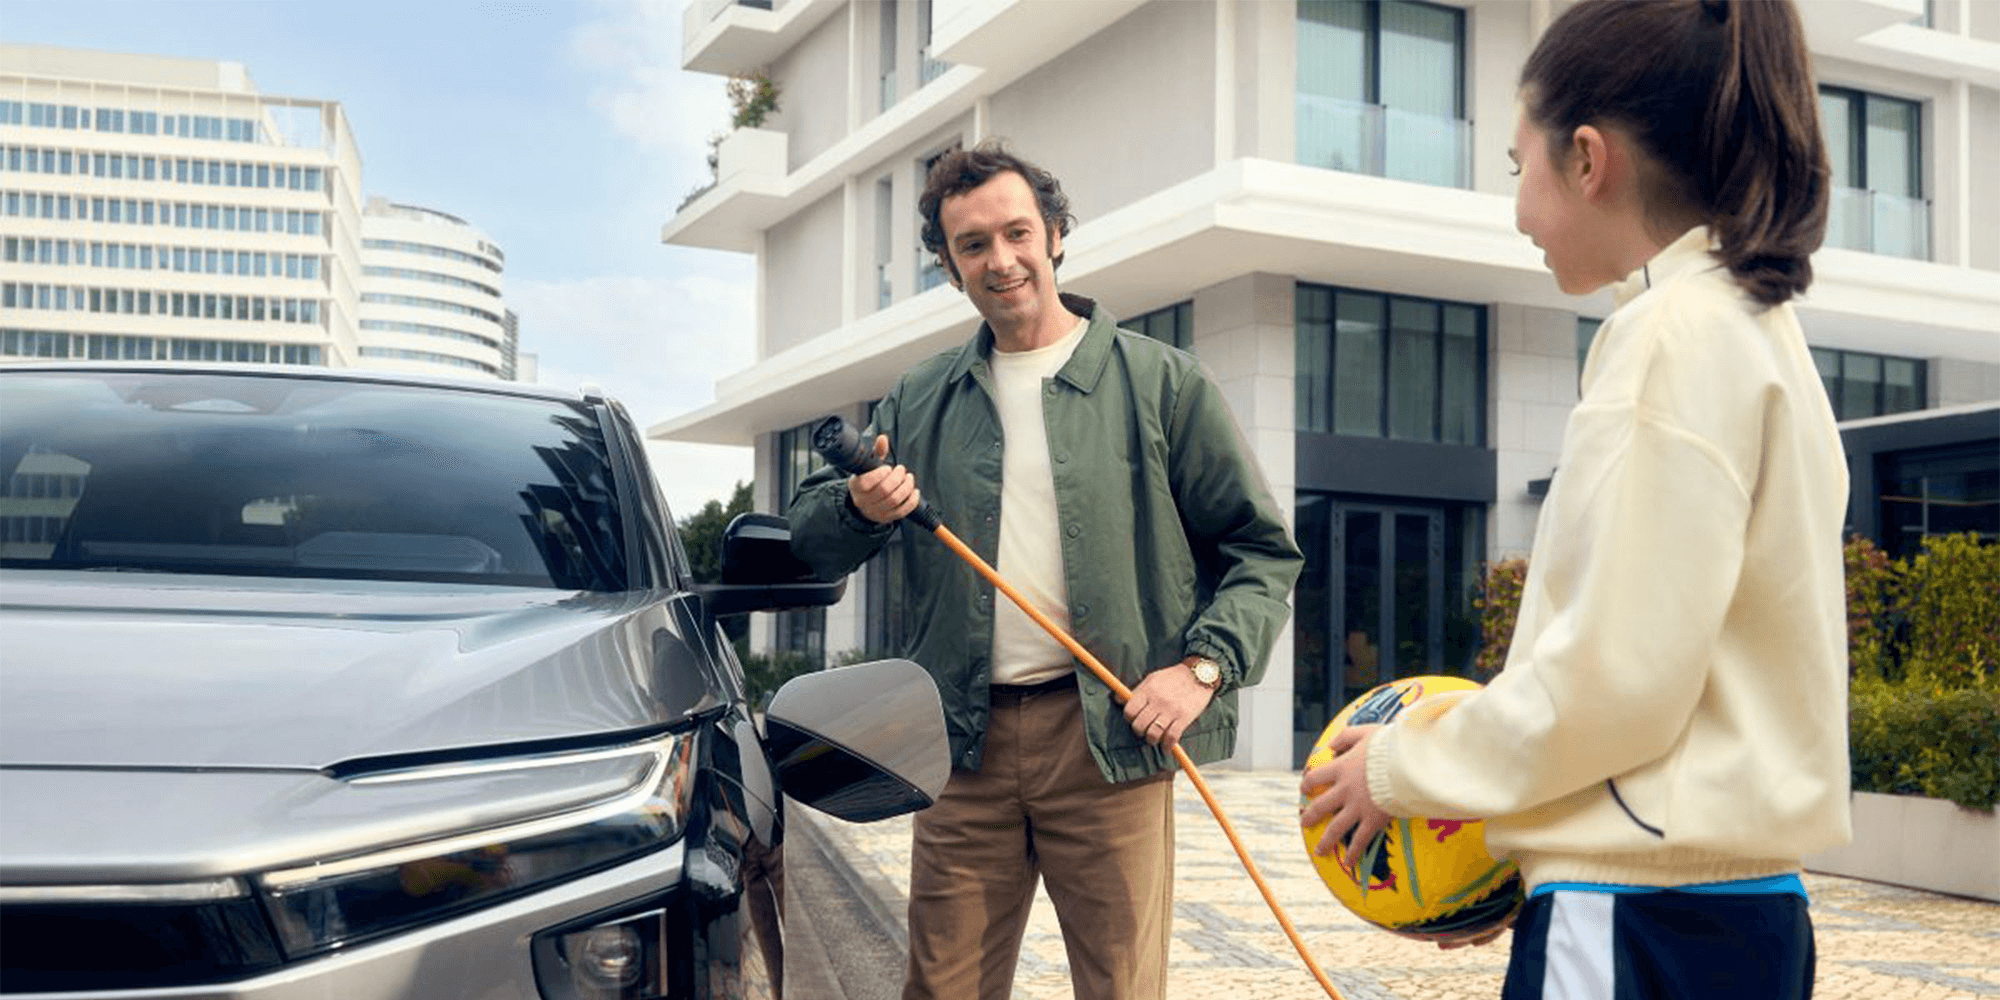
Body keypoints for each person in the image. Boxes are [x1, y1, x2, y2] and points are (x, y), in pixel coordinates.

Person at [1300, 1, 1848, 997]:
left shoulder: (1664, 338)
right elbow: (1675, 679)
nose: (1514, 209)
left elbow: (1609, 683)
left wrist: (1395, 768)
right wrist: (1523, 855)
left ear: (1587, 159)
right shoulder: (1761, 334)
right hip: (1742, 910)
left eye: (1518, 168)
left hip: (1635, 918)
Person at [787, 141, 1302, 1000]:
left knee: (1120, 989)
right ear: (950, 268)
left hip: (1108, 741)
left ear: (1056, 235)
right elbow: (810, 536)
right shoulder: (920, 397)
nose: (1002, 259)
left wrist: (1202, 669)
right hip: (963, 744)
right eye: (973, 245)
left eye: (1017, 232)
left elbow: (1261, 552)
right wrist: (857, 507)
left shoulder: (1164, 384)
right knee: (942, 987)